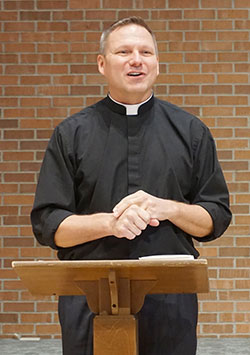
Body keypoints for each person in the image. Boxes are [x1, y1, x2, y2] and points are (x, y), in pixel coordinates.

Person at [31, 16, 232, 355]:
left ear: (157, 63)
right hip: (88, 300)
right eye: (123, 51)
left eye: (146, 52)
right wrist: (110, 224)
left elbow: (216, 218)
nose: (136, 60)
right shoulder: (71, 134)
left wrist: (165, 207)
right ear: (102, 64)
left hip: (170, 301)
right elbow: (49, 226)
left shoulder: (191, 132)